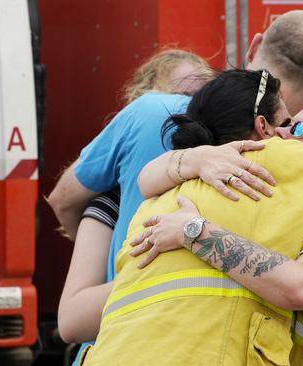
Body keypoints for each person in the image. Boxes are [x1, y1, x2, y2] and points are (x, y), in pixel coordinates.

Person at [80, 69, 303, 365]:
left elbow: (300, 284)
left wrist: (195, 226)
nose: (286, 136)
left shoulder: (164, 197)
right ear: (262, 126)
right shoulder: (275, 184)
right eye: (288, 124)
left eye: (300, 131)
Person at [49, 9, 303, 356]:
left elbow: (63, 198)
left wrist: (129, 255)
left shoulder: (150, 113)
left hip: (119, 346)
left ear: (255, 45)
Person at [56, 49, 214, 346]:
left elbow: (61, 199)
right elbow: (72, 322)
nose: (185, 111)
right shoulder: (109, 204)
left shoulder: (226, 184)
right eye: (178, 97)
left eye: (198, 98)